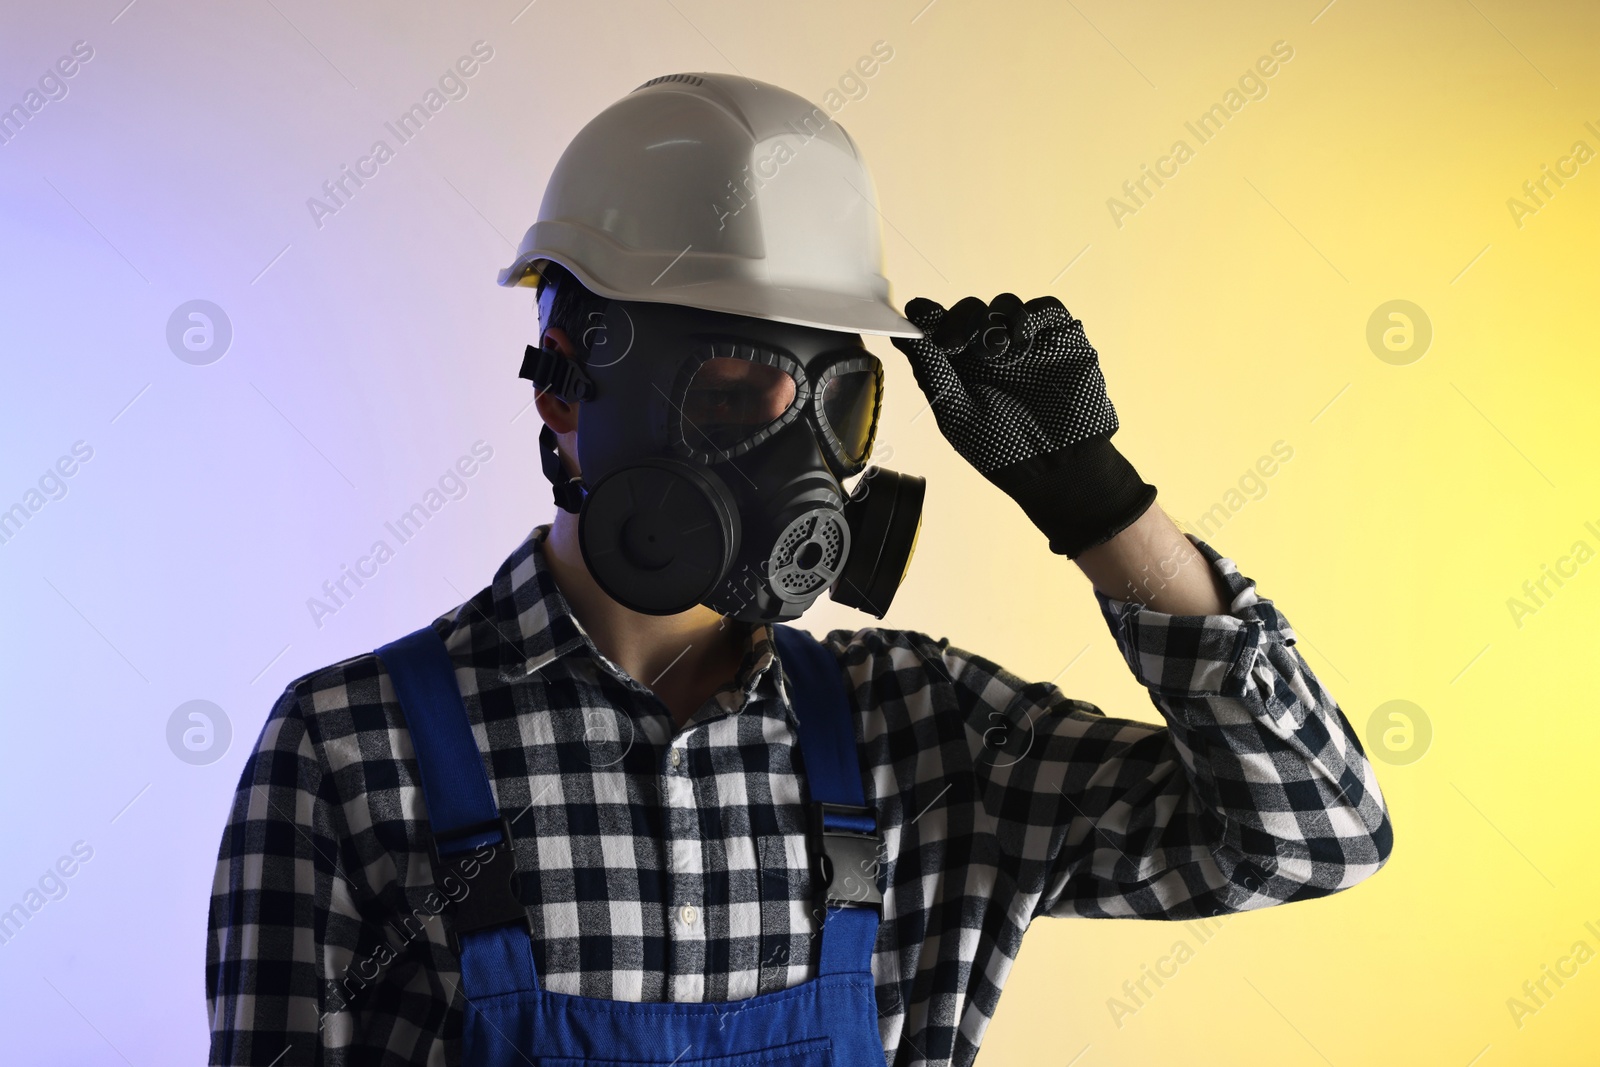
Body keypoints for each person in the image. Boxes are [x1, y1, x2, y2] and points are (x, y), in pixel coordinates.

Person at [207, 73, 1392, 1067]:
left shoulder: (925, 734)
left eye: (836, 404)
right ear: (563, 387)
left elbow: (1313, 833)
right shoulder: (350, 744)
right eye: (730, 395)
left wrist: (1098, 505)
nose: (798, 464)